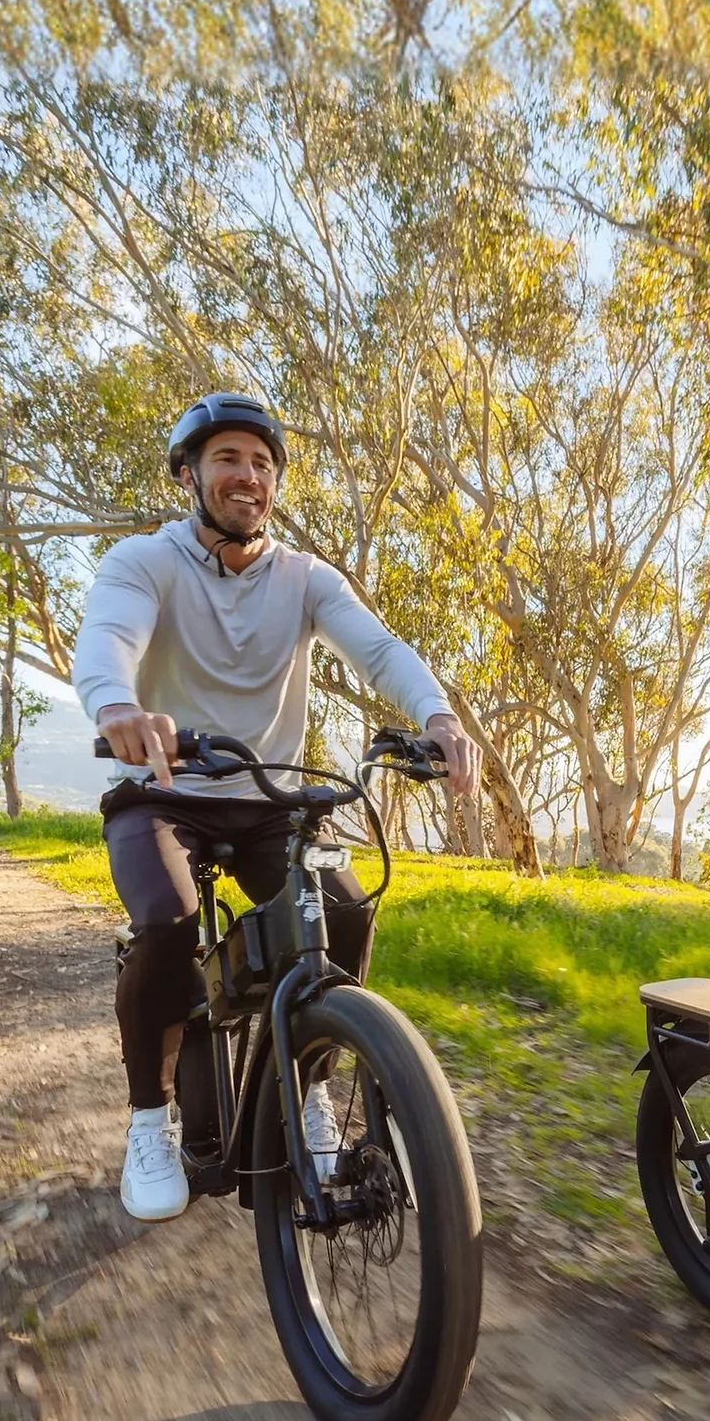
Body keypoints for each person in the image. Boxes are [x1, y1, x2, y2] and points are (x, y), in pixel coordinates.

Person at [72, 392, 480, 1222]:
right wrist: (117, 707)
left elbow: (379, 649)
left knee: (347, 909)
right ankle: (150, 1121)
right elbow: (109, 636)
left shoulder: (305, 578)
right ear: (188, 475)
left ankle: (311, 1086)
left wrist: (437, 716)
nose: (247, 475)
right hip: (164, 791)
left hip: (268, 799)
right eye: (227, 458)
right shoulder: (144, 562)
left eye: (261, 463)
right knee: (167, 924)